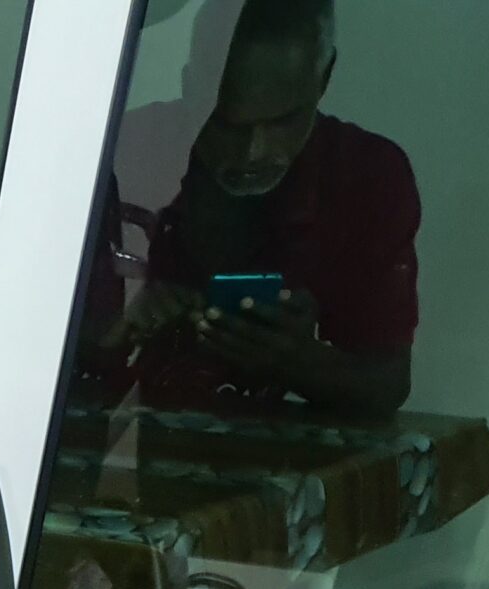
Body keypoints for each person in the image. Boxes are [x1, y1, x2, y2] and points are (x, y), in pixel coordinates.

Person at [88, 0, 419, 417]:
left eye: (283, 121)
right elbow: (31, 341)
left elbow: (388, 382)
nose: (252, 153)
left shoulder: (367, 177)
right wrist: (112, 332)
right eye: (224, 122)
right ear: (190, 86)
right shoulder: (120, 154)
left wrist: (299, 360)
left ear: (324, 79)